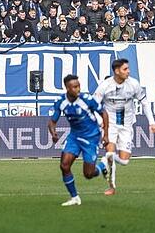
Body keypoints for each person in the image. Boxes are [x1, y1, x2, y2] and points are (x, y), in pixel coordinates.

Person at [93, 58, 155, 196]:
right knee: (110, 150)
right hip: (109, 125)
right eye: (125, 69)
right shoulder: (105, 86)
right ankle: (111, 187)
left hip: (127, 124)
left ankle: (104, 161)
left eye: (128, 68)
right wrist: (101, 122)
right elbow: (93, 106)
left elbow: (145, 103)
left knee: (124, 160)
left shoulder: (133, 84)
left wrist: (151, 122)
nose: (128, 71)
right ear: (117, 71)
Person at [47, 75, 110, 206]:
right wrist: (53, 133)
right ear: (67, 88)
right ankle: (74, 197)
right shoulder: (60, 102)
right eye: (75, 87)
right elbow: (52, 121)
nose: (78, 89)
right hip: (74, 137)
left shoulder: (86, 100)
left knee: (89, 174)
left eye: (79, 86)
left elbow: (104, 113)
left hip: (91, 137)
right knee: (64, 165)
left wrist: (105, 135)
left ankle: (103, 165)